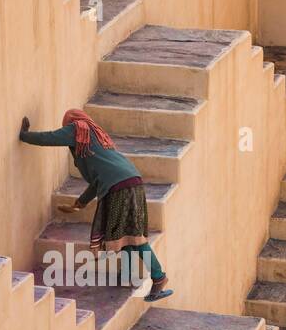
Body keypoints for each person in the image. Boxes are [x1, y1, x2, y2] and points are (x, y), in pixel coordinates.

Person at [20, 109, 172, 301]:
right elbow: (100, 178)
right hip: (133, 182)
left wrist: (25, 136)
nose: (66, 129)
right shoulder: (98, 137)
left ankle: (159, 277)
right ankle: (129, 275)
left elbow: (49, 138)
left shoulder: (78, 128)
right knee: (126, 234)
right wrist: (81, 203)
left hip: (118, 188)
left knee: (132, 237)